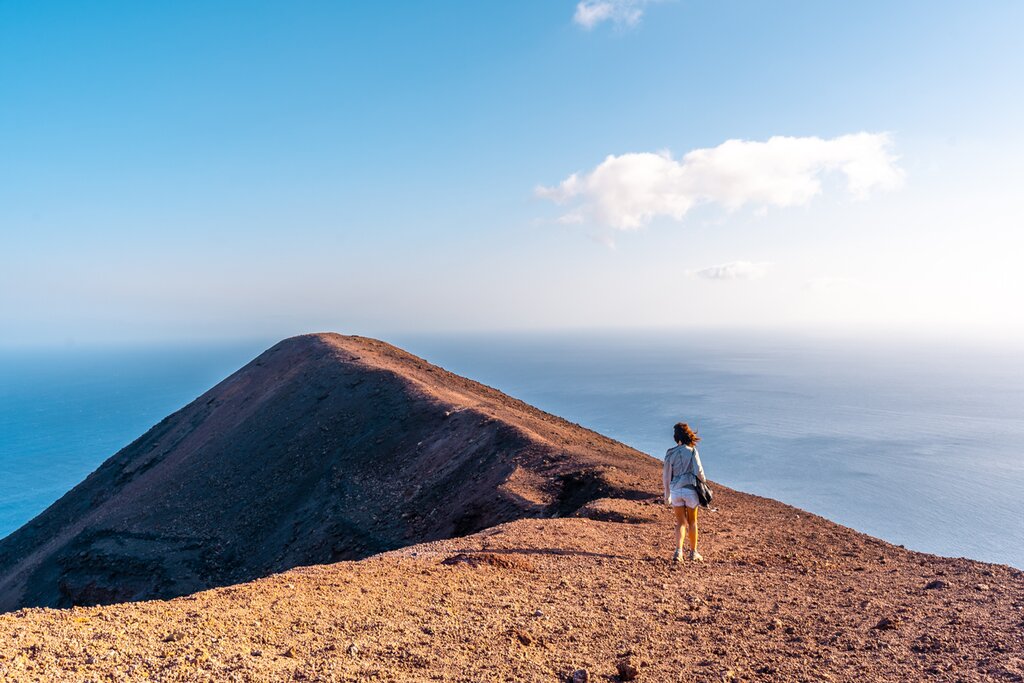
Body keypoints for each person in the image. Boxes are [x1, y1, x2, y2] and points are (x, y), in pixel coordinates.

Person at [662, 422, 707, 562]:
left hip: (676, 491)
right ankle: (693, 553)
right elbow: (699, 471)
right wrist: (703, 483)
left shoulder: (670, 453)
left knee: (680, 522)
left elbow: (666, 475)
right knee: (692, 521)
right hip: (690, 490)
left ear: (676, 437)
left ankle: (678, 552)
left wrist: (667, 494)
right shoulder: (692, 451)